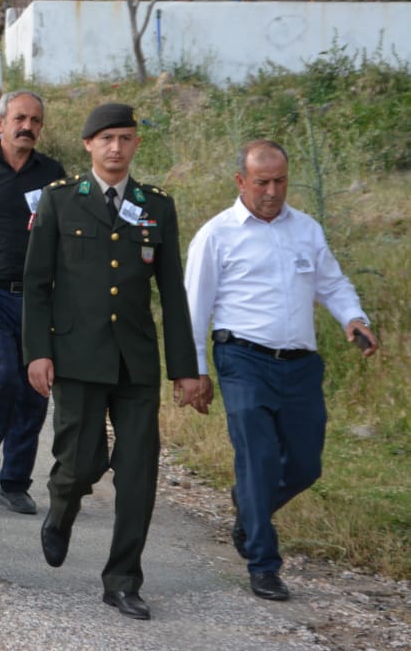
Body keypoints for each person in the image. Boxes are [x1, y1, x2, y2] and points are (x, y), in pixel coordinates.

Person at [23, 102, 207, 622]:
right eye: (106, 139)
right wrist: (37, 352)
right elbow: (37, 286)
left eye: (125, 139)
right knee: (80, 464)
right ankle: (61, 509)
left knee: (137, 473)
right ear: (88, 145)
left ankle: (123, 579)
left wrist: (185, 370)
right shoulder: (60, 202)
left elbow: (172, 292)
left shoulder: (157, 207)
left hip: (135, 362)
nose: (116, 148)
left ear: (135, 145)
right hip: (77, 356)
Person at [184, 139, 378, 603]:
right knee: (258, 459)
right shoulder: (216, 235)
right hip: (242, 360)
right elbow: (195, 308)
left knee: (306, 465)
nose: (272, 191)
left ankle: (250, 507)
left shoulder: (305, 230)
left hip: (300, 367)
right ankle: (264, 563)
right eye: (262, 182)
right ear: (241, 182)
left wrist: (354, 318)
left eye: (280, 181)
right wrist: (195, 373)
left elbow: (331, 283)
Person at [0, 91, 66, 515]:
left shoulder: (54, 175)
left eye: (35, 120)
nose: (27, 126)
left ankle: (16, 481)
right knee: (2, 379)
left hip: (39, 298)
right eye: (19, 118)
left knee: (34, 390)